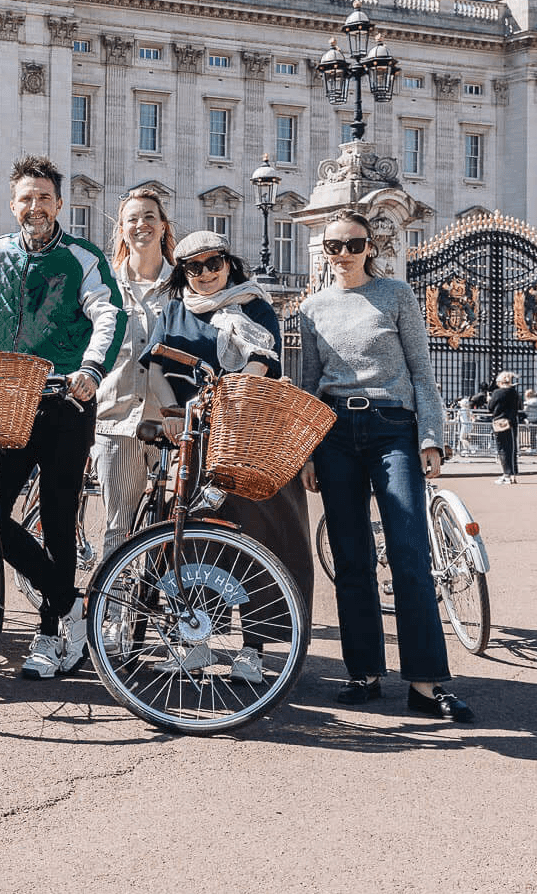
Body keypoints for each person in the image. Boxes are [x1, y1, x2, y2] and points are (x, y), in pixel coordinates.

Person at [301, 209, 473, 723]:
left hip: (391, 426)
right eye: (334, 246)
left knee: (408, 552)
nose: (344, 255)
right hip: (334, 434)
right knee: (351, 557)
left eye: (353, 245)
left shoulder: (396, 295)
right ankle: (365, 674)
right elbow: (310, 385)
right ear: (324, 251)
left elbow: (422, 370)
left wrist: (431, 436)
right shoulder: (311, 309)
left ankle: (426, 683)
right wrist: (308, 449)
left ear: (369, 248)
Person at [0, 155, 127, 679]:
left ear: (59, 204)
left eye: (43, 198)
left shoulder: (82, 257)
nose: (34, 207)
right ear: (12, 205)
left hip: (64, 400)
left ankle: (48, 633)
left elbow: (109, 313)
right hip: (7, 401)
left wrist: (90, 369)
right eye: (25, 199)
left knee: (59, 520)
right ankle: (70, 603)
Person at [140, 229, 312, 685]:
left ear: (229, 262)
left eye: (213, 263)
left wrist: (227, 397)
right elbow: (156, 369)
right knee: (191, 537)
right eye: (193, 267)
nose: (205, 274)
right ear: (183, 273)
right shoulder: (173, 308)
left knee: (259, 535)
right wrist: (173, 411)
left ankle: (253, 650)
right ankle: (195, 642)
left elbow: (260, 361)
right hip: (192, 436)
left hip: (245, 435)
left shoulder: (254, 304)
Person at [91, 186, 176, 558]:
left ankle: (157, 608)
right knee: (118, 528)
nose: (141, 224)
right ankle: (117, 615)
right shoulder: (103, 286)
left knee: (173, 526)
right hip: (115, 421)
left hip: (173, 423)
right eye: (132, 219)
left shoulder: (185, 286)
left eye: (149, 217)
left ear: (162, 227)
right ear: (122, 230)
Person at [486, 370, 522, 484]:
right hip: (512, 422)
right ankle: (513, 474)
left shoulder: (498, 392)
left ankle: (506, 475)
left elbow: (490, 408)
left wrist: (489, 400)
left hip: (500, 422)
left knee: (502, 449)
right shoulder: (514, 392)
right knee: (511, 449)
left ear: (500, 381)